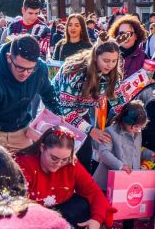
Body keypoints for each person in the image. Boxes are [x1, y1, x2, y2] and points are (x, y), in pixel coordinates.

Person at [16, 127, 116, 229]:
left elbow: (94, 192)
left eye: (64, 159)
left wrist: (96, 220)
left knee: (83, 206)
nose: (58, 164)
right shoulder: (24, 164)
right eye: (54, 158)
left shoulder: (71, 163)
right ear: (42, 148)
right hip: (31, 215)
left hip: (61, 209)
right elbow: (16, 205)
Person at [53, 40, 125, 170]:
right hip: (58, 114)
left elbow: (118, 101)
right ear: (96, 56)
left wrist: (127, 119)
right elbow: (66, 110)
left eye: (114, 61)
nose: (110, 65)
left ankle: (80, 188)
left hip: (81, 112)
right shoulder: (74, 72)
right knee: (61, 154)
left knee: (85, 156)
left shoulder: (112, 74)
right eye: (106, 60)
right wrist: (91, 130)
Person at [93, 100, 155, 229]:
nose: (137, 130)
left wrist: (148, 154)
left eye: (140, 127)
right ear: (124, 121)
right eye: (135, 127)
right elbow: (104, 153)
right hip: (109, 176)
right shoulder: (110, 131)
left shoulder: (137, 133)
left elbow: (136, 150)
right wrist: (120, 165)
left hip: (130, 175)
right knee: (104, 201)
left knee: (131, 201)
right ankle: (101, 223)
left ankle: (129, 228)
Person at [0, 34, 60, 151]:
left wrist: (58, 114)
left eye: (30, 69)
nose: (25, 73)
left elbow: (49, 94)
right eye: (20, 68)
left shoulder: (40, 68)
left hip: (23, 130)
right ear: (9, 57)